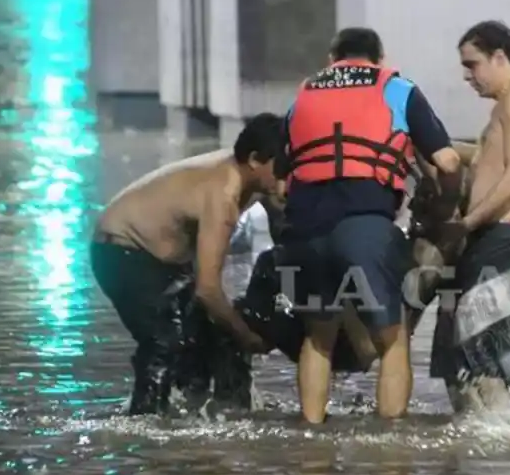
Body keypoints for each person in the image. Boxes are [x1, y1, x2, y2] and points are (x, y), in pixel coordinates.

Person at [275, 27, 464, 424]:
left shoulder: (302, 97)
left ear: (333, 59)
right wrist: (445, 204)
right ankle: (390, 447)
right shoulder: (396, 88)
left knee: (319, 337)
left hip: (304, 232)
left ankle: (311, 439)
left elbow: (280, 183)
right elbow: (448, 161)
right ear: (378, 58)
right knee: (392, 338)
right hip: (364, 228)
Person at [90, 114, 284, 416]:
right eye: (283, 167)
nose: (288, 176)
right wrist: (245, 335)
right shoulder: (223, 195)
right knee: (165, 343)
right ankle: (146, 427)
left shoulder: (252, 177)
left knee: (209, 340)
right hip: (121, 250)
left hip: (167, 262)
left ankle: (219, 416)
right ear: (256, 160)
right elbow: (208, 289)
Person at [428, 20, 510, 414]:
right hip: (490, 238)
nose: (468, 76)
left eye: (473, 65)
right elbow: (488, 161)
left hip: (508, 236)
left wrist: (467, 222)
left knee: (484, 360)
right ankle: (472, 462)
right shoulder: (508, 107)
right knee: (460, 357)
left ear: (500, 57)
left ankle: (496, 461)